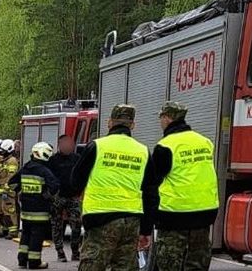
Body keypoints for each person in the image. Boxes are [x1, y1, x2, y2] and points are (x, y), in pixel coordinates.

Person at [70, 105, 152, 271]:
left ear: (109, 123)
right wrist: (146, 230)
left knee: (92, 265)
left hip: (100, 218)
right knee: (125, 266)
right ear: (132, 125)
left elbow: (75, 181)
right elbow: (150, 193)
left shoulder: (96, 146)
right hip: (131, 221)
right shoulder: (143, 151)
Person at [143, 102, 218, 271]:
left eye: (161, 117)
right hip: (204, 215)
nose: (160, 121)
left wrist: (149, 217)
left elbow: (153, 182)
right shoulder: (205, 142)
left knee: (168, 264)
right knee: (197, 265)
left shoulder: (166, 146)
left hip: (174, 217)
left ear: (167, 118)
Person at [10, 141, 61, 270]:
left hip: (26, 210)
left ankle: (22, 260)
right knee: (37, 237)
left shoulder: (25, 168)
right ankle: (34, 262)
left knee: (26, 235)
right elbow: (55, 185)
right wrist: (47, 195)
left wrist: (21, 191)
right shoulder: (44, 170)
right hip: (40, 211)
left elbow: (11, 183)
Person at [49, 134, 83, 262]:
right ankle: (60, 252)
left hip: (73, 197)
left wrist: (79, 192)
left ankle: (75, 251)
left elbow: (82, 176)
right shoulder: (53, 161)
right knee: (57, 226)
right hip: (58, 197)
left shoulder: (77, 159)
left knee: (76, 225)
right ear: (59, 145)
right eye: (64, 144)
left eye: (69, 144)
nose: (67, 146)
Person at [0, 138, 20, 239]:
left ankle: (13, 231)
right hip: (1, 191)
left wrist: (7, 188)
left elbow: (11, 176)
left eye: (4, 151)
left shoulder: (12, 161)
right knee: (1, 211)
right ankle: (4, 229)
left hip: (8, 192)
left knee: (9, 211)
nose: (2, 153)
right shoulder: (3, 161)